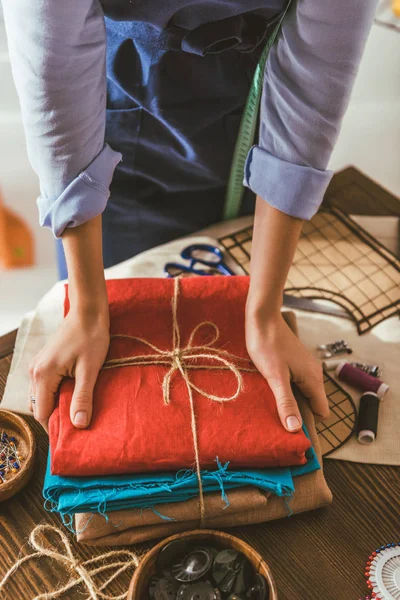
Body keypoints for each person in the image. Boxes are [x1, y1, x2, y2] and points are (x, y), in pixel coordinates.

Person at [3, 0, 377, 433]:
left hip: (250, 116)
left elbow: (318, 71)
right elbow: (55, 64)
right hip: (108, 115)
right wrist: (87, 309)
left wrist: (263, 311)